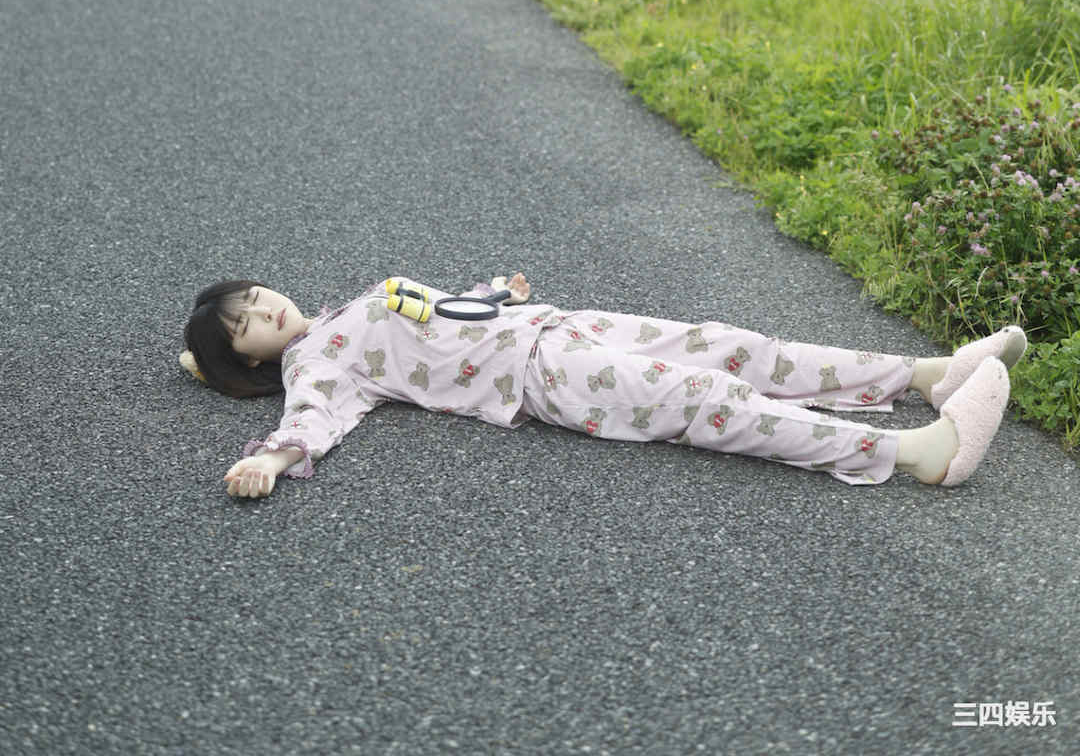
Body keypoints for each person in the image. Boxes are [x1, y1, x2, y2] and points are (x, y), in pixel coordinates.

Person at [181, 273, 1024, 500]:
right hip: (543, 374)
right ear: (248, 359)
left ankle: (925, 375)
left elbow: (440, 320)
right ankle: (916, 452)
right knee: (710, 403)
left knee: (733, 347)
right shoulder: (314, 364)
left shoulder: (341, 313)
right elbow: (316, 416)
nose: (267, 311)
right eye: (247, 324)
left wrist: (495, 296)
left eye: (258, 298)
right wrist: (277, 457)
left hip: (556, 323)